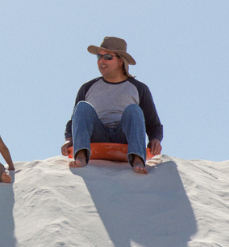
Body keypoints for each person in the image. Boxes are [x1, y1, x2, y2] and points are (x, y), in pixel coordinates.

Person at [62, 37, 163, 175]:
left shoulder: (138, 88)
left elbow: (153, 124)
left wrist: (155, 140)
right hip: (97, 136)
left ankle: (138, 159)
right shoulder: (88, 87)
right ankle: (81, 155)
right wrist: (69, 140)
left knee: (134, 110)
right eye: (99, 56)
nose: (101, 61)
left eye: (108, 57)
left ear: (121, 61)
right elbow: (75, 120)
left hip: (125, 137)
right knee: (82, 107)